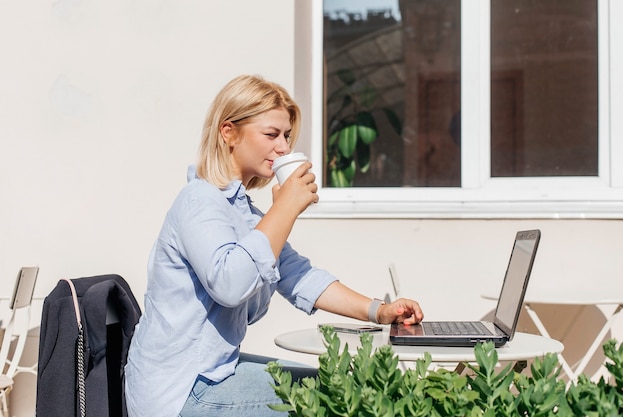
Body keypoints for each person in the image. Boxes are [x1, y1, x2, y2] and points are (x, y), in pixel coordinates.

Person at [124, 74, 424, 417]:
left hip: (212, 375)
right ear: (229, 132)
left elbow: (299, 275)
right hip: (180, 391)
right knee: (336, 399)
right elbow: (230, 285)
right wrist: (284, 209)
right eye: (271, 134)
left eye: (287, 136)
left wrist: (379, 312)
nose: (284, 147)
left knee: (345, 385)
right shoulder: (199, 202)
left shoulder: (245, 213)